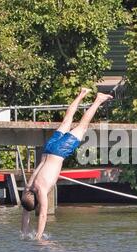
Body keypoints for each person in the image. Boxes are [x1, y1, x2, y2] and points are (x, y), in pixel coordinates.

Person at [21, 88, 113, 240]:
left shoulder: (41, 190)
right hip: (48, 149)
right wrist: (24, 232)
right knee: (67, 120)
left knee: (83, 126)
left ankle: (98, 99)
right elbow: (25, 211)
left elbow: (43, 214)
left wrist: (38, 237)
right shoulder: (27, 189)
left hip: (59, 152)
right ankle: (82, 93)